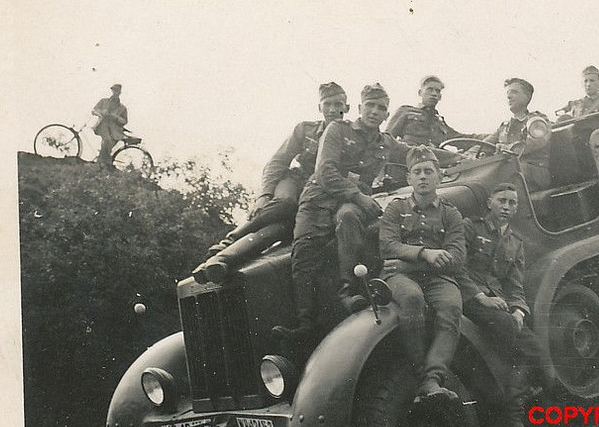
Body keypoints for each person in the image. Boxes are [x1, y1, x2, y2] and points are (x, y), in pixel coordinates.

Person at [274, 83, 401, 348]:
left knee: (350, 220)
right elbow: (326, 172)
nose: (375, 112)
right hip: (320, 198)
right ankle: (307, 324)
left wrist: (463, 156)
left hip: (351, 203)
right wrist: (358, 196)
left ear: (387, 115)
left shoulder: (385, 142)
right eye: (370, 106)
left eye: (381, 108)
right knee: (304, 255)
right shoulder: (338, 130)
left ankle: (349, 291)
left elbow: (415, 154)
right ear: (357, 108)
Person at [194, 81, 349, 283]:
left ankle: (219, 261)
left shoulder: (350, 136)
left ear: (346, 107)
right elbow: (277, 162)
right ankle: (228, 241)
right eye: (327, 104)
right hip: (294, 182)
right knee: (285, 203)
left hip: (316, 197)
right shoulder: (305, 129)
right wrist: (264, 196)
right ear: (319, 107)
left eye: (338, 104)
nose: (332, 110)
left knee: (278, 230)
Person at [457, 183, 551, 427]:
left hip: (497, 303)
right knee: (529, 347)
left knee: (526, 343)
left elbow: (514, 283)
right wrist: (480, 297)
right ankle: (512, 417)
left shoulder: (515, 242)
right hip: (470, 298)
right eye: (502, 201)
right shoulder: (470, 228)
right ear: (489, 203)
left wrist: (519, 309)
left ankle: (515, 414)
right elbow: (457, 267)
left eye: (512, 203)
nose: (507, 207)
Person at [379, 146, 467, 402]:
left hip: (433, 277)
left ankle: (433, 377)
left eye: (429, 171)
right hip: (398, 278)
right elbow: (387, 246)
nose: (423, 177)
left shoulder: (450, 213)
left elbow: (457, 259)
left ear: (439, 176)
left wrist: (411, 263)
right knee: (411, 299)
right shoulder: (395, 209)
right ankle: (420, 373)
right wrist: (427, 253)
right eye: (417, 172)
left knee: (452, 307)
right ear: (409, 179)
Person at [385, 75, 469, 147]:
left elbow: (458, 138)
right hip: (411, 156)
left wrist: (481, 137)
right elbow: (387, 138)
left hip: (435, 159)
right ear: (420, 93)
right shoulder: (406, 111)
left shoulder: (439, 121)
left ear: (440, 97)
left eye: (437, 91)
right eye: (430, 89)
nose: (434, 94)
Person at [485, 78, 546, 151]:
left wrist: (507, 148)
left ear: (527, 97)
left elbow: (535, 142)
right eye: (507, 93)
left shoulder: (537, 121)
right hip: (504, 162)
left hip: (528, 162)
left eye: (514, 92)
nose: (509, 96)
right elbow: (484, 144)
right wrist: (470, 154)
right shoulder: (504, 127)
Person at [91, 84, 128, 165]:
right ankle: (102, 163)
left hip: (115, 131)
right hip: (102, 126)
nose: (115, 92)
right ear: (112, 91)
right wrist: (100, 113)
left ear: (120, 92)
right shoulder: (104, 101)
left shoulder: (122, 108)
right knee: (106, 141)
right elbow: (94, 110)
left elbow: (124, 121)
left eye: (117, 91)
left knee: (107, 146)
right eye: (114, 90)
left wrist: (116, 117)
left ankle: (103, 163)